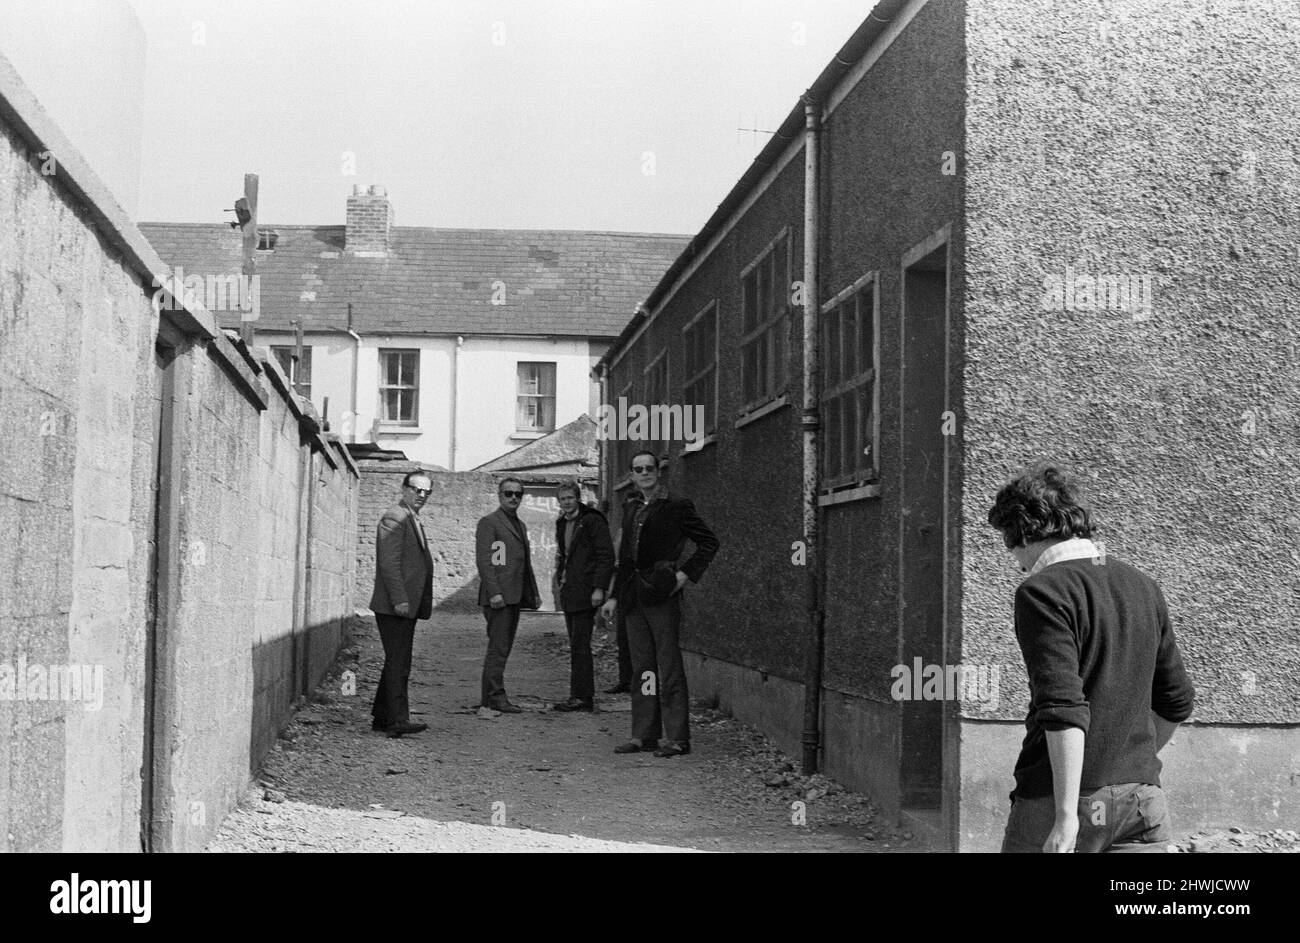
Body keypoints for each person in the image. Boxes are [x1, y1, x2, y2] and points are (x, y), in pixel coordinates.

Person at [987, 462, 1195, 853]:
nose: (1015, 559)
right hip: (1141, 802)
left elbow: (1062, 705)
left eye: (1008, 541)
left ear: (1023, 532)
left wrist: (1067, 819)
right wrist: (1125, 764)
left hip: (1057, 802)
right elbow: (1176, 700)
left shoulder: (1041, 591)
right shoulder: (1142, 585)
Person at [601, 450, 718, 758]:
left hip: (662, 594)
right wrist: (613, 596)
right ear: (632, 475)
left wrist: (684, 574)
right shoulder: (631, 507)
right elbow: (625, 558)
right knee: (643, 670)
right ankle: (644, 735)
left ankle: (678, 738)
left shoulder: (676, 506)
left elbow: (709, 542)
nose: (644, 473)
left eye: (649, 468)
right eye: (638, 469)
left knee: (668, 666)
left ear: (658, 471)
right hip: (633, 597)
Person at [368, 470, 434, 737]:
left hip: (406, 604)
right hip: (396, 605)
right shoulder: (395, 516)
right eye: (416, 490)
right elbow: (389, 563)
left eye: (426, 492)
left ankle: (382, 716)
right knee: (399, 663)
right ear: (404, 488)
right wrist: (400, 599)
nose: (421, 496)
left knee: (396, 660)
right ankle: (397, 721)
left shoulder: (411, 517)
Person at [475, 477, 541, 713]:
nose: (513, 498)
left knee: (502, 647)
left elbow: (524, 564)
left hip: (514, 596)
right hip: (499, 598)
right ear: (499, 495)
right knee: (498, 648)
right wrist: (494, 592)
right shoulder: (490, 523)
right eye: (508, 493)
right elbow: (486, 561)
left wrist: (532, 593)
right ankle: (495, 697)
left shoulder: (519, 524)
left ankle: (490, 697)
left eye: (518, 494)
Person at [551, 481, 615, 711]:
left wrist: (599, 588)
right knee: (575, 643)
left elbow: (605, 555)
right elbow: (564, 555)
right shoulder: (562, 522)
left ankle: (583, 697)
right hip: (570, 591)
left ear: (577, 498)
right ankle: (578, 694)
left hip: (587, 591)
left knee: (580, 645)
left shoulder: (592, 521)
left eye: (570, 497)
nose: (566, 502)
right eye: (562, 499)